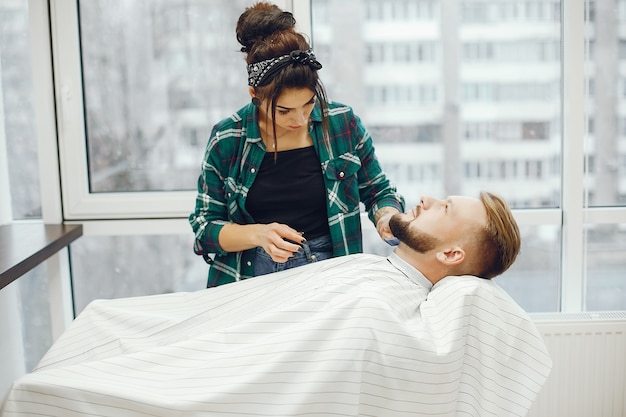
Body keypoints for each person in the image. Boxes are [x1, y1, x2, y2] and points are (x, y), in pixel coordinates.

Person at [2, 192, 552, 417]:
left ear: (453, 252)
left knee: (46, 390)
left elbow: (275, 377)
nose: (427, 199)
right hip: (205, 342)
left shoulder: (384, 314)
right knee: (106, 317)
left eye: (445, 206)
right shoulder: (372, 273)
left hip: (206, 377)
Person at [189, 2, 405, 287]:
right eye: (284, 111)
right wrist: (258, 235)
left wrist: (387, 217)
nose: (300, 119)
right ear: (254, 94)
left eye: (308, 104)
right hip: (249, 280)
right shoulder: (228, 138)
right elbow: (205, 227)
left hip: (332, 277)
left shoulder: (342, 123)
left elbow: (378, 192)